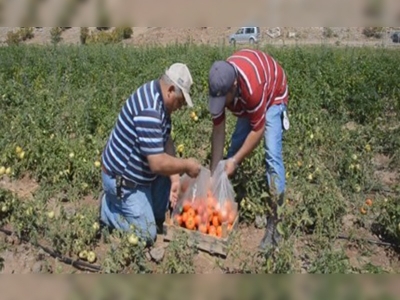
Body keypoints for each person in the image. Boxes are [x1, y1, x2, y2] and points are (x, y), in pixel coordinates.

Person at [100, 63, 201, 245]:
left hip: (141, 177)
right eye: (180, 101)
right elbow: (157, 163)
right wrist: (186, 165)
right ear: (171, 90)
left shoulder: (160, 98)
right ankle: (107, 209)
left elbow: (166, 139)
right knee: (147, 233)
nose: (180, 107)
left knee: (158, 213)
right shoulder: (150, 109)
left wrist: (175, 179)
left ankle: (141, 205)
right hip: (122, 182)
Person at [208, 49, 289, 249]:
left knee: (271, 154)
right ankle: (228, 194)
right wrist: (213, 174)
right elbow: (218, 132)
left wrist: (234, 161)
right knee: (236, 143)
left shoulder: (252, 88)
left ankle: (276, 220)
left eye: (223, 100)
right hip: (247, 99)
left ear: (234, 87)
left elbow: (258, 129)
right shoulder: (220, 83)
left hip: (272, 94)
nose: (221, 105)